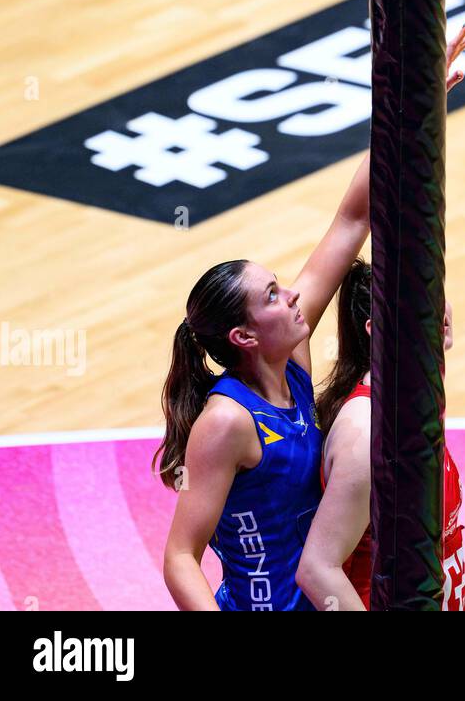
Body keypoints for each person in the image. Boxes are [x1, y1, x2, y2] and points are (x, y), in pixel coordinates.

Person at [156, 154, 371, 610]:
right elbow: (179, 556)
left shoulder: (291, 361)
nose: (292, 294)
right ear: (245, 336)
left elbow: (352, 219)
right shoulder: (226, 422)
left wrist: (407, 117)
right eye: (272, 295)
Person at [296, 261, 465, 610]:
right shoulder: (368, 433)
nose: (437, 309)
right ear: (376, 329)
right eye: (419, 302)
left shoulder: (411, 400)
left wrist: (457, 586)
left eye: (436, 292)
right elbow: (317, 570)